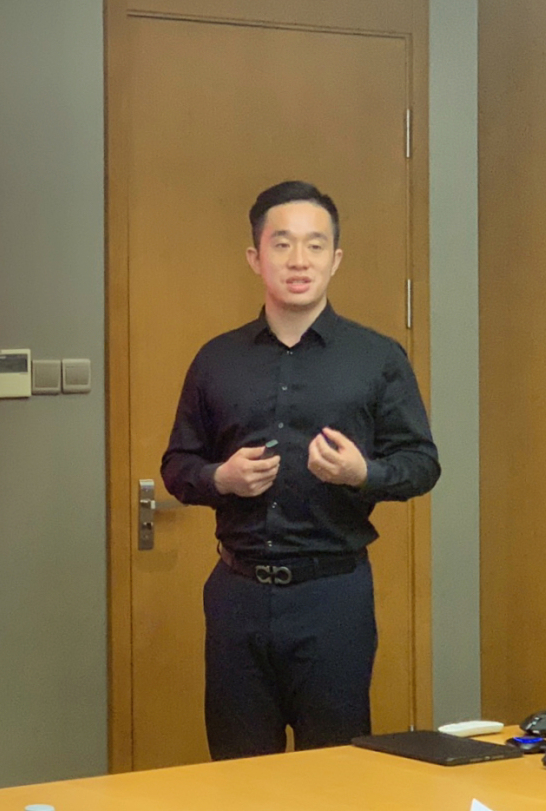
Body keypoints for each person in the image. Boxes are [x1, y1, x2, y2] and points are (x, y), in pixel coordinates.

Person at [160, 180, 440, 760]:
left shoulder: (377, 358)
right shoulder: (216, 359)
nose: (298, 260)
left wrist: (363, 474)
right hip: (237, 594)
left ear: (335, 259)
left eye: (315, 245)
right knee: (238, 772)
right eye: (282, 243)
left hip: (333, 596)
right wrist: (220, 479)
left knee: (334, 771)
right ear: (255, 257)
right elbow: (177, 465)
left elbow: (421, 464)